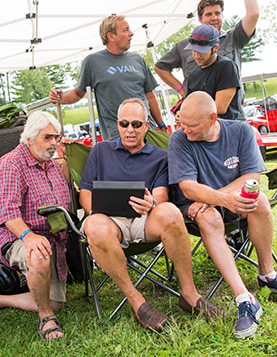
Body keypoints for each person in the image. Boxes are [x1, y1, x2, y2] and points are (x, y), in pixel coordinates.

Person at [79, 97, 224, 331]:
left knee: (169, 211)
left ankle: (189, 294)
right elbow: (85, 192)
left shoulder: (160, 156)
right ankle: (137, 301)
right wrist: (97, 212)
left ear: (147, 126)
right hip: (109, 223)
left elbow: (162, 197)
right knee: (94, 225)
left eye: (136, 124)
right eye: (124, 124)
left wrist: (152, 202)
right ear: (117, 124)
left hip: (144, 220)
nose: (129, 130)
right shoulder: (100, 151)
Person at [168, 92, 277, 339]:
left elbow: (252, 179)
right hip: (195, 210)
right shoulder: (179, 139)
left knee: (258, 199)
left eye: (192, 125)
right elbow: (188, 187)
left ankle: (267, 274)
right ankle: (244, 298)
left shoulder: (240, 131)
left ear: (212, 118)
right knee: (209, 217)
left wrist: (218, 197)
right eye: (182, 123)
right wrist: (217, 201)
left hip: (224, 199)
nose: (185, 130)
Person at [154, 0, 259, 119]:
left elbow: (253, 14)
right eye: (209, 14)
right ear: (200, 18)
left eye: (218, 13)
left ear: (215, 48)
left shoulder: (232, 38)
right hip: (200, 121)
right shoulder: (185, 46)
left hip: (231, 118)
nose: (214, 18)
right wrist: (181, 90)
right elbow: (160, 67)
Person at [0, 111, 71, 340]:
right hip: (18, 236)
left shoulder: (50, 162)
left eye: (56, 138)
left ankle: (3, 300)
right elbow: (7, 211)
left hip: (52, 239)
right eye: (48, 138)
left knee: (57, 302)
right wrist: (29, 237)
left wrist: (66, 158)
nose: (53, 143)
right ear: (29, 138)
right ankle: (45, 318)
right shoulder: (12, 163)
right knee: (37, 253)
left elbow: (66, 195)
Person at [49, 15, 167, 141]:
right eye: (126, 30)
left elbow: (149, 95)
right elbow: (78, 94)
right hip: (117, 137)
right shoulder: (92, 62)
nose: (131, 34)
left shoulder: (137, 59)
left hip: (147, 133)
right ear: (111, 36)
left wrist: (161, 124)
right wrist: (60, 98)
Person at [184, 23, 243, 120]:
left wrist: (190, 112)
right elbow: (189, 103)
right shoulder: (194, 74)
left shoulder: (226, 67)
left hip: (225, 127)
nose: (197, 55)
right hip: (202, 128)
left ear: (215, 48)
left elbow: (219, 108)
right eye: (194, 50)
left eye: (202, 51)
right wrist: (181, 113)